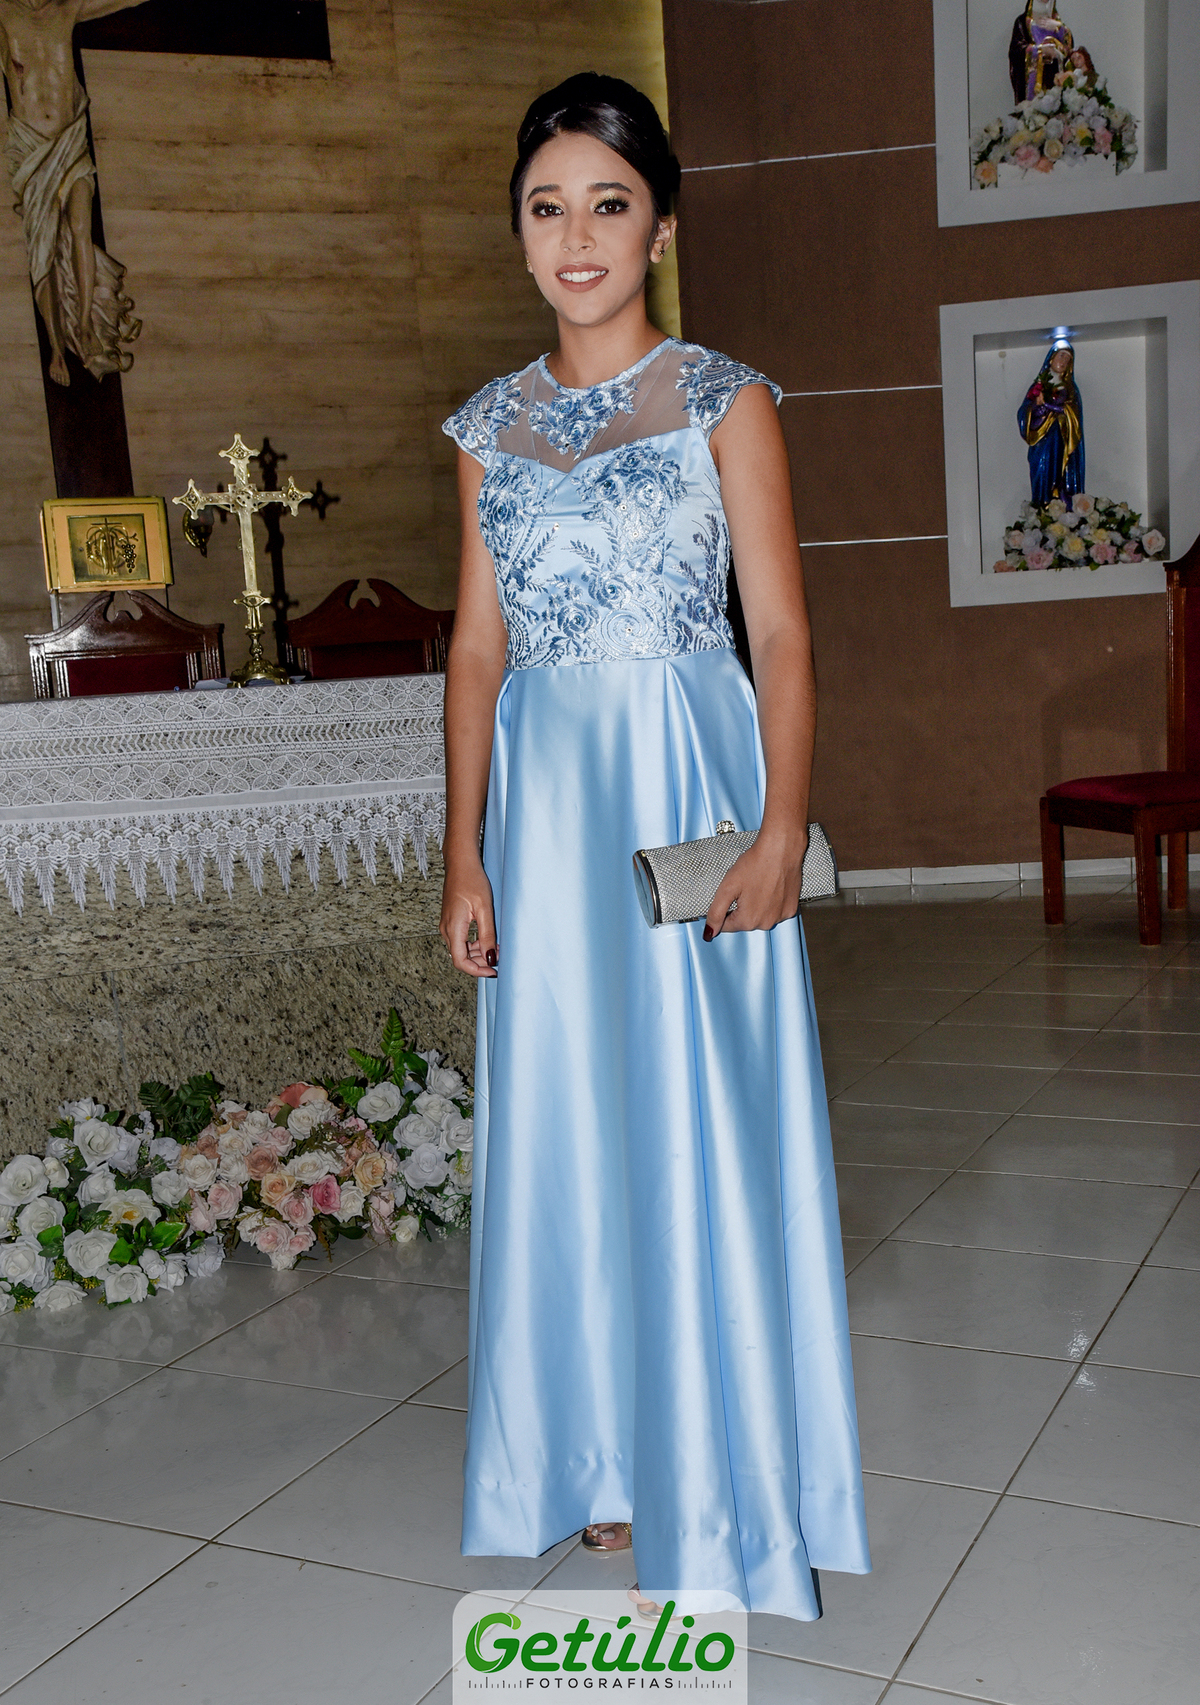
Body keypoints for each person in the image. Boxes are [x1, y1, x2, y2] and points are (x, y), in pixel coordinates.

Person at [439, 71, 869, 1621]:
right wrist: (464, 852)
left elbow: (784, 633)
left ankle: (727, 1460)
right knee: (575, 1129)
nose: (577, 236)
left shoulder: (723, 399)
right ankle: (606, 1457)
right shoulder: (486, 428)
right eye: (547, 207)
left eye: (608, 204)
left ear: (661, 228)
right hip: (549, 817)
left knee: (698, 1123)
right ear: (519, 233)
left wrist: (782, 823)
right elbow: (476, 652)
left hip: (689, 790)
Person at [0, 0, 142, 385]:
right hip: (33, 150)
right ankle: (57, 348)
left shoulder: (67, 8)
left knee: (81, 228)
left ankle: (83, 323)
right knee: (43, 252)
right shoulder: (5, 12)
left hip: (70, 140)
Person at [1019, 340, 1084, 505]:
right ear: (1051, 358)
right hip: (1041, 442)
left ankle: (1059, 504)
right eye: (1061, 356)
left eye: (1068, 359)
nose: (1064, 361)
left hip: (1061, 441)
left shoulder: (1070, 389)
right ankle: (1041, 505)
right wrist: (1036, 407)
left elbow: (1073, 414)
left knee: (1059, 474)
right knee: (1042, 471)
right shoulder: (1038, 386)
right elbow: (1024, 412)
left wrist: (1051, 407)